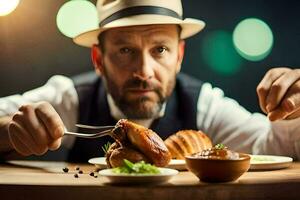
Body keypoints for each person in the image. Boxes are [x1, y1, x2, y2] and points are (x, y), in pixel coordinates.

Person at [0, 0, 300, 162]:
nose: (144, 70)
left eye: (160, 49)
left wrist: (293, 108)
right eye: (126, 50)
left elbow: (272, 143)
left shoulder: (204, 104)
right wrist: (8, 131)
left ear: (179, 55)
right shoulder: (70, 97)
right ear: (98, 60)